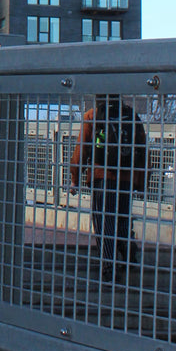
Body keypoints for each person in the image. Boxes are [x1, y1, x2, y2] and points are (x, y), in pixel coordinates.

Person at [69, 95, 148, 282]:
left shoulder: (93, 116)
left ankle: (108, 266)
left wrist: (75, 178)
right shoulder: (131, 117)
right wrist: (142, 182)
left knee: (104, 220)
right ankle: (128, 252)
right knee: (122, 218)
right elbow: (143, 149)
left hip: (101, 176)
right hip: (126, 177)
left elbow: (81, 150)